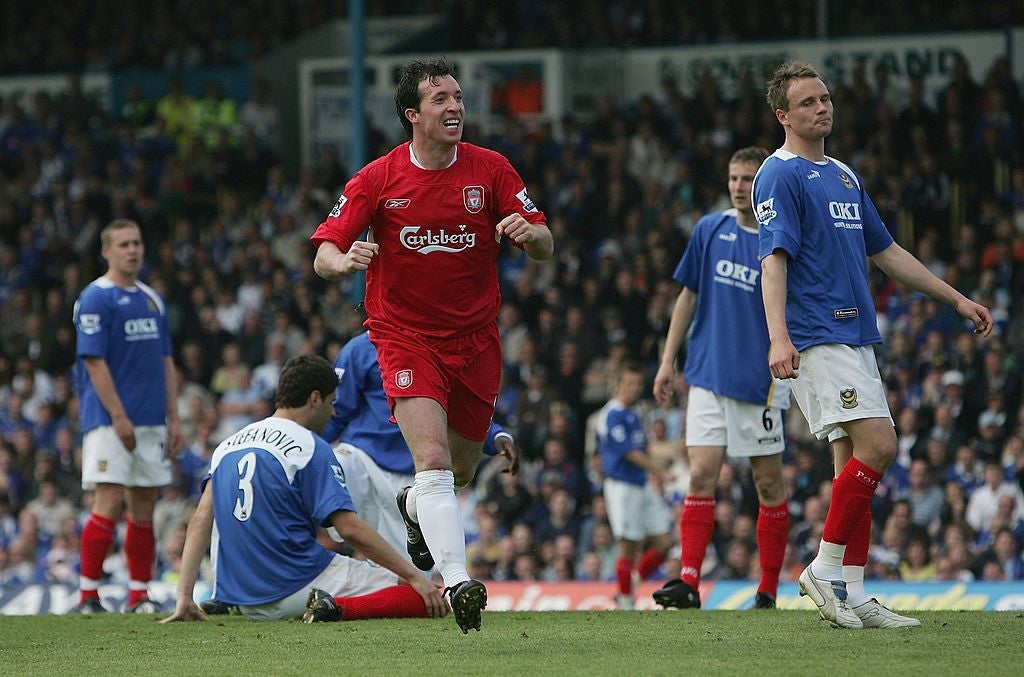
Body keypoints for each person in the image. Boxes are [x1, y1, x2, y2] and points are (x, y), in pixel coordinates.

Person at [310, 57, 552, 633]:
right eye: (441, 98)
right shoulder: (377, 178)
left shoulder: (491, 170)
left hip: (475, 341)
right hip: (404, 337)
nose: (455, 107)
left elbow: (544, 240)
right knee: (434, 461)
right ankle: (457, 579)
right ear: (411, 115)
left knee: (460, 471)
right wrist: (344, 261)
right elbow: (322, 253)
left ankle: (417, 506)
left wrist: (530, 234)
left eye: (459, 97)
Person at [755, 60, 993, 629]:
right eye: (808, 102)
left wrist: (956, 299)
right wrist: (778, 338)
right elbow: (773, 259)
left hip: (856, 334)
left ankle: (854, 592)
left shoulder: (842, 175)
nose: (823, 107)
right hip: (818, 333)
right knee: (880, 446)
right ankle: (823, 567)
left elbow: (887, 253)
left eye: (825, 98)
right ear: (783, 115)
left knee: (852, 467)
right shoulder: (778, 174)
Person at [161, 355, 448, 624]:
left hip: (241, 597)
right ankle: (334, 607)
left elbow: (200, 520)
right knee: (421, 594)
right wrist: (414, 576)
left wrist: (184, 597)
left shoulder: (228, 445)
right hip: (297, 586)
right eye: (331, 402)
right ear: (314, 398)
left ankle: (227, 602)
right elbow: (349, 529)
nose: (333, 411)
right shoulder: (309, 446)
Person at [650, 147, 791, 611]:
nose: (737, 186)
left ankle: (768, 589)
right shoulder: (710, 229)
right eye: (733, 177)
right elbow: (687, 296)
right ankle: (689, 582)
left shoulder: (780, 237)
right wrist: (668, 360)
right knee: (701, 476)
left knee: (767, 485)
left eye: (748, 178)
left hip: (760, 382)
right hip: (706, 374)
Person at [323, 329, 519, 559]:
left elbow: (460, 411)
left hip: (413, 478)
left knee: (408, 576)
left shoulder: (437, 348)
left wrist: (496, 435)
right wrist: (303, 442)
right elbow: (336, 412)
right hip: (363, 458)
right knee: (337, 461)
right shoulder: (360, 349)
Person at [71, 219, 183, 613]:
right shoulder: (96, 298)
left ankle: (139, 593)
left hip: (153, 419)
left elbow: (166, 360)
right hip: (109, 420)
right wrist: (118, 416)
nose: (132, 250)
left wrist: (174, 417)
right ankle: (88, 594)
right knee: (108, 499)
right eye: (123, 244)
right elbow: (94, 361)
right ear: (106, 251)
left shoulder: (152, 298)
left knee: (143, 505)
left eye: (136, 243)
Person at [595, 361, 673, 609]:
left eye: (637, 384)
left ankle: (633, 580)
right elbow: (628, 452)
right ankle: (626, 601)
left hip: (640, 484)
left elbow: (643, 447)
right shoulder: (611, 414)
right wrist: (659, 471)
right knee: (628, 546)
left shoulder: (634, 413)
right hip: (622, 486)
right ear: (618, 384)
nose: (633, 388)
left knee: (663, 543)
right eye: (628, 383)